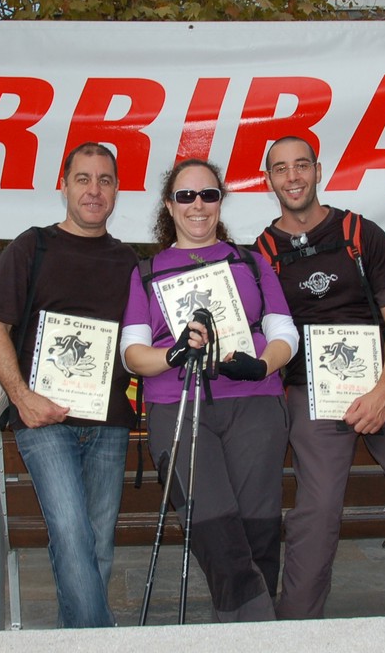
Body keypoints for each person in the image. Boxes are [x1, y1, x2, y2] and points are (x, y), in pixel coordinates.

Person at [257, 136, 385, 618]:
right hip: (312, 389)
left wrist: (384, 392)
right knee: (316, 511)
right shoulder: (263, 253)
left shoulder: (360, 233)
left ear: (318, 170)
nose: (293, 177)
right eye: (281, 169)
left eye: (301, 165)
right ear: (269, 180)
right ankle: (296, 628)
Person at [120, 158, 297, 623]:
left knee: (259, 534)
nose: (198, 205)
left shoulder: (251, 263)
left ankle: (238, 635)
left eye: (208, 194)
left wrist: (262, 365)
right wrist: (172, 355)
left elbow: (285, 334)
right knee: (216, 533)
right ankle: (263, 630)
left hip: (255, 404)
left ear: (220, 201)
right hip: (177, 407)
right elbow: (132, 352)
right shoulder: (147, 272)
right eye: (186, 196)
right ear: (169, 205)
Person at [0, 142, 138, 628]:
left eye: (104, 180)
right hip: (43, 420)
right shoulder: (32, 247)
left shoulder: (129, 261)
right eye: (83, 179)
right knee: (71, 533)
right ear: (63, 185)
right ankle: (99, 639)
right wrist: (22, 398)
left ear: (116, 190)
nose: (94, 190)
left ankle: (80, 639)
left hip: (108, 423)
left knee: (98, 544)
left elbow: (139, 342)